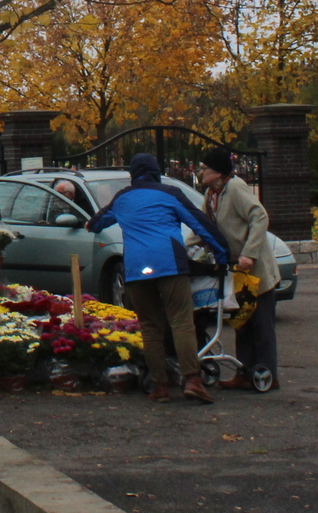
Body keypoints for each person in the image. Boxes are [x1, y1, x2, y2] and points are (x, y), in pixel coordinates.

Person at [86, 152, 228, 404]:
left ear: (132, 174)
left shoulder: (122, 198)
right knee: (181, 322)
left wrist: (94, 223)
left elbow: (96, 224)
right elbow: (200, 224)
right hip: (169, 264)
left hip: (136, 269)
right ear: (156, 172)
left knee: (150, 327)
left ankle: (160, 386)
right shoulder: (170, 193)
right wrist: (222, 254)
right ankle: (193, 380)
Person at [198, 149, 279, 391]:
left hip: (255, 269)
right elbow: (203, 227)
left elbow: (259, 217)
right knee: (241, 321)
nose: (201, 172)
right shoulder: (211, 194)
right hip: (235, 270)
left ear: (219, 173)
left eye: (205, 168)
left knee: (261, 325)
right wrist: (183, 248)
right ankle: (245, 373)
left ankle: (268, 375)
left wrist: (249, 253)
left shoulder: (235, 188)